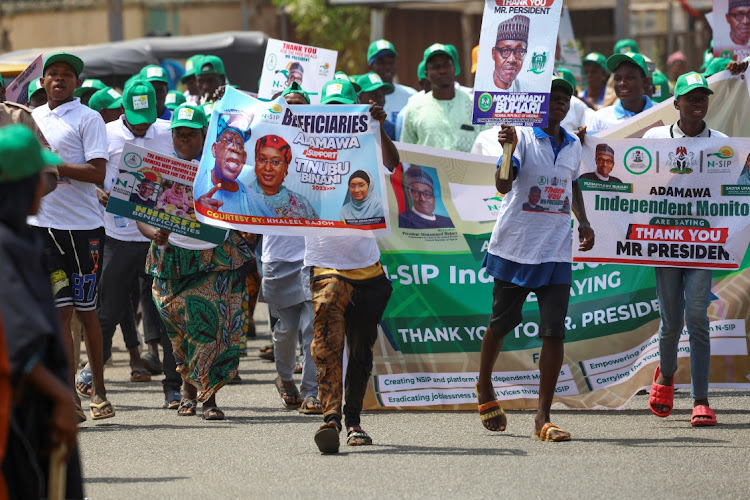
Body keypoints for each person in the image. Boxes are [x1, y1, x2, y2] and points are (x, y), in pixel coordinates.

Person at [475, 76, 595, 442]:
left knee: (554, 330)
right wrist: (508, 149)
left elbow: (573, 182)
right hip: (517, 246)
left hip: (556, 250)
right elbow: (502, 184)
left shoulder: (573, 145)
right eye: (551, 98)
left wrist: (584, 221)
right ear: (539, 104)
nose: (558, 103)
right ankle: (483, 385)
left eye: (564, 98)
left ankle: (543, 416)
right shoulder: (521, 136)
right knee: (503, 321)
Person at [139, 103, 258, 420]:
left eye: (191, 134)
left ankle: (206, 399)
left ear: (204, 135)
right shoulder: (159, 169)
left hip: (214, 258)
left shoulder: (222, 169)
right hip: (174, 260)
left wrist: (246, 229)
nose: (184, 140)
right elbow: (140, 214)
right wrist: (155, 234)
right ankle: (188, 390)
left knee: (211, 329)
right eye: (179, 134)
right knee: (181, 330)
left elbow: (242, 208)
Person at [308, 78, 399, 453]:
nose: (335, 115)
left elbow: (393, 164)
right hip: (326, 265)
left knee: (361, 351)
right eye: (328, 109)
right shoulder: (305, 148)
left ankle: (354, 421)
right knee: (328, 344)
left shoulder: (368, 143)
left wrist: (378, 130)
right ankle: (330, 418)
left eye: (342, 108)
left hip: (368, 268)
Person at [0, 124, 83, 499]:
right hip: (20, 409)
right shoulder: (4, 248)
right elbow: (17, 338)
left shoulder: (21, 237)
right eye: (38, 177)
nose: (43, 186)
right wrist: (63, 398)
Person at [29, 52, 114, 420]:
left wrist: (52, 164)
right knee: (61, 314)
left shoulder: (88, 118)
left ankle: (99, 390)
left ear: (76, 83)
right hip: (45, 230)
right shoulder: (31, 118)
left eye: (66, 75)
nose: (59, 80)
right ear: (43, 82)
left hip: (85, 231)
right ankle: (70, 397)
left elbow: (97, 173)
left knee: (87, 313)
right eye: (53, 74)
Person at [641, 71, 727, 427]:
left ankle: (701, 399)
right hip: (665, 243)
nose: (697, 103)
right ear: (675, 103)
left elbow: (737, 192)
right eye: (690, 97)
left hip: (703, 245)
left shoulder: (723, 143)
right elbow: (637, 185)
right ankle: (667, 373)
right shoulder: (654, 138)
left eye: (702, 97)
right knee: (671, 322)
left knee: (697, 317)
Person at [95, 79, 172, 387]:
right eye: (135, 122)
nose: (141, 128)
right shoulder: (106, 133)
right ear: (123, 110)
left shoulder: (168, 133)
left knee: (167, 311)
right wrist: (97, 191)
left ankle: (174, 386)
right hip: (119, 235)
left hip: (161, 238)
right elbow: (92, 172)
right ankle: (93, 372)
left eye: (147, 122)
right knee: (107, 310)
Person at [400, 43, 486, 153]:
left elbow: (487, 146)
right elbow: (407, 154)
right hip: (427, 170)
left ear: (454, 69)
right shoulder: (414, 110)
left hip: (471, 170)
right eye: (436, 67)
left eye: (447, 65)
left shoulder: (476, 106)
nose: (442, 71)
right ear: (427, 74)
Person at [194, 112, 277, 216]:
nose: (234, 148)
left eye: (239, 144)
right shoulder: (195, 180)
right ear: (215, 149)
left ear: (244, 158)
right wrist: (197, 209)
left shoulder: (253, 200)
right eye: (228, 141)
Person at [250, 134, 318, 219]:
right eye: (262, 160)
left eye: (275, 162)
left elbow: (317, 231)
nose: (267, 168)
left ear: (285, 167)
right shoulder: (242, 197)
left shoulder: (302, 203)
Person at [587, 52, 654, 133]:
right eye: (618, 78)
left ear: (644, 82)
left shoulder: (663, 113)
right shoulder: (600, 118)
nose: (622, 83)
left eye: (630, 77)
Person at [367, 39, 416, 123]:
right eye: (381, 63)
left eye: (391, 63)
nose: (387, 67)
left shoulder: (411, 96)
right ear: (370, 67)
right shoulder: (362, 98)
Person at [491, 15, 530, 91]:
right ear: (494, 53)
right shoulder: (479, 89)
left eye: (519, 52)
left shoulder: (528, 91)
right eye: (505, 51)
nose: (512, 60)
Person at [354, 72, 396, 140]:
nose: (381, 99)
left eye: (382, 95)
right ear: (359, 97)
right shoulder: (348, 126)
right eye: (374, 95)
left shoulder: (390, 128)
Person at [556, 67, 594, 133]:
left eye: (566, 92)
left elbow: (591, 131)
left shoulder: (577, 104)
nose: (560, 100)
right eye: (554, 90)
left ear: (576, 92)